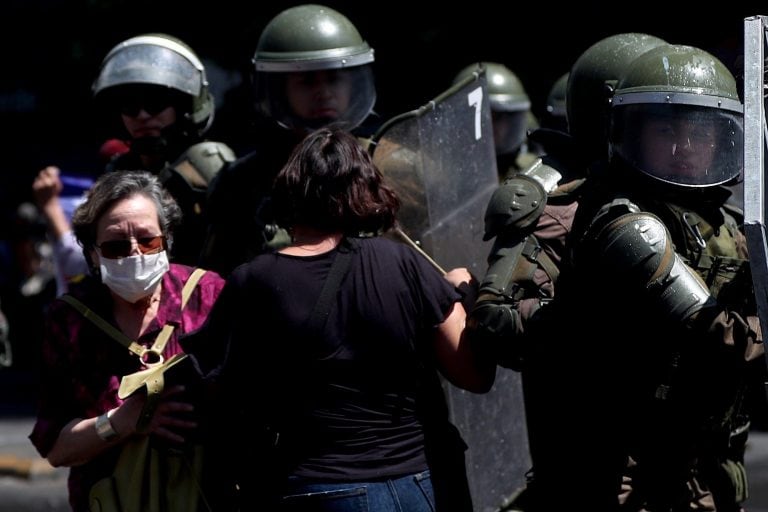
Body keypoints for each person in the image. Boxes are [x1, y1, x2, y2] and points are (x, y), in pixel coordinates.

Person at [504, 43, 763, 511]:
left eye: (701, 131)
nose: (686, 148)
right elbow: (720, 337)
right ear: (630, 133)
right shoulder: (618, 221)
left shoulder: (722, 222)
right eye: (666, 130)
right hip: (622, 477)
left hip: (702, 466)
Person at [184, 127, 496, 511]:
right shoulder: (405, 264)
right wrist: (462, 296)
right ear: (365, 189)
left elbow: (218, 398)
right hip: (424, 484)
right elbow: (474, 375)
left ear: (287, 192)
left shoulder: (255, 281)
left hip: (319, 489)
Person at [28, 170, 226, 512]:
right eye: (116, 246)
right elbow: (57, 449)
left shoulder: (208, 295)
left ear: (167, 239)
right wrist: (125, 421)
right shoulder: (69, 319)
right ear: (92, 253)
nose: (135, 254)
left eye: (148, 240)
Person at [33, 33, 234, 281]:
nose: (141, 115)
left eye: (155, 103)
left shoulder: (206, 167)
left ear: (184, 106)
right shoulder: (120, 168)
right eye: (129, 107)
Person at [200, 4, 379, 276]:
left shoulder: (385, 162)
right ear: (279, 90)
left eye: (334, 78)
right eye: (307, 81)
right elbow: (216, 281)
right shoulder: (241, 182)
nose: (324, 93)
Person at [452, 62, 541, 180]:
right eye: (483, 117)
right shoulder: (441, 174)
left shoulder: (533, 172)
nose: (492, 127)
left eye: (499, 118)